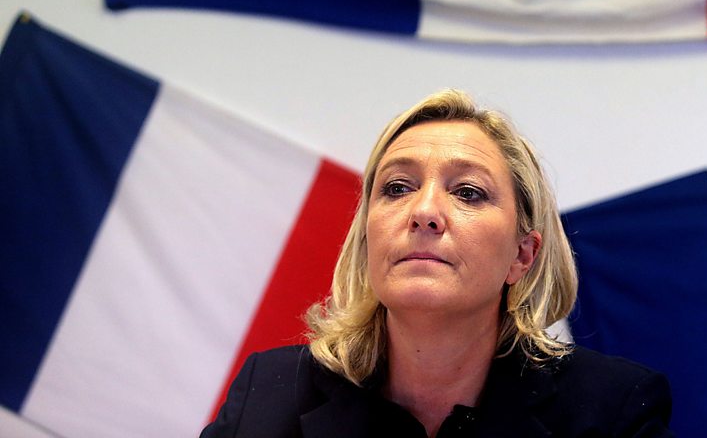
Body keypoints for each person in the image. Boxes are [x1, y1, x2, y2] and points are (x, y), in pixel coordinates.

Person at [201, 89, 673, 437]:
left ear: (522, 255)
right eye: (397, 188)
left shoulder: (613, 410)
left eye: (468, 192)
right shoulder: (269, 397)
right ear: (367, 240)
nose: (424, 211)